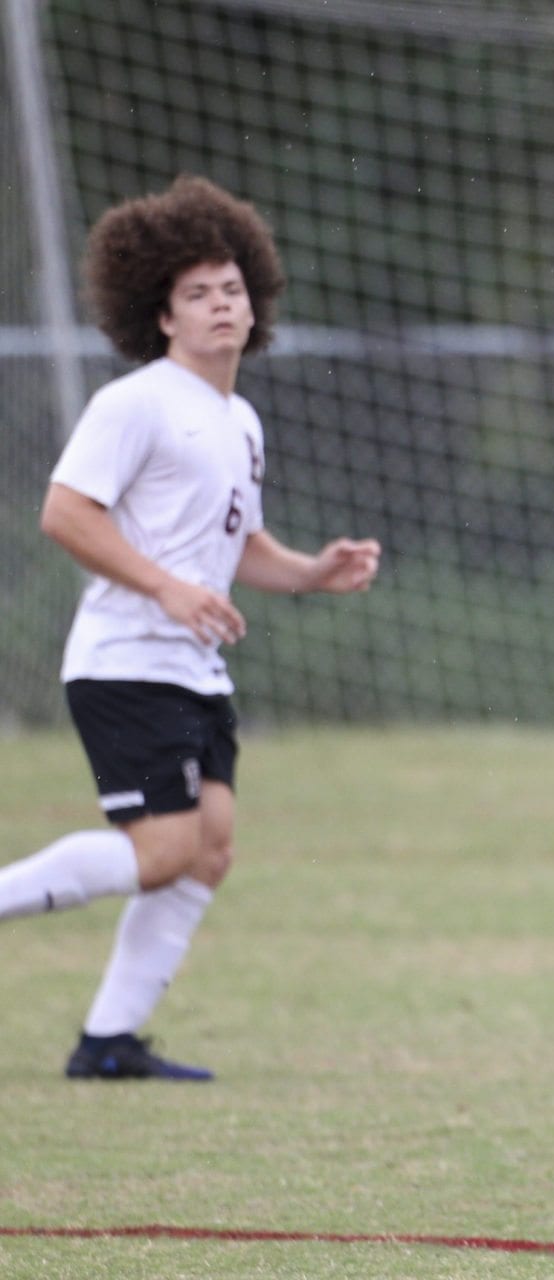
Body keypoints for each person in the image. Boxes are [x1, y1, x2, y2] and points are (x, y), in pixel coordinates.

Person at [0, 175, 381, 1080]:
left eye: (232, 289)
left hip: (195, 667)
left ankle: (108, 1042)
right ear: (162, 316)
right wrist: (168, 590)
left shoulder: (237, 417)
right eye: (198, 294)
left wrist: (311, 573)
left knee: (205, 854)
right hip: (127, 660)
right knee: (163, 848)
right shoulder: (136, 402)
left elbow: (237, 545)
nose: (222, 305)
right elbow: (66, 513)